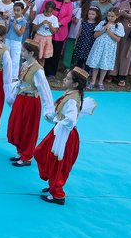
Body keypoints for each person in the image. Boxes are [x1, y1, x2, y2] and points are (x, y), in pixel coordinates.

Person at [34, 67, 96, 205]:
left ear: (75, 84)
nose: (64, 79)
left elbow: (71, 119)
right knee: (41, 153)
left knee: (58, 162)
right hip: (60, 130)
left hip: (64, 134)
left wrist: (56, 119)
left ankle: (58, 194)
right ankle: (53, 183)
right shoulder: (71, 93)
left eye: (67, 78)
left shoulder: (72, 99)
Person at [6, 39, 54, 167]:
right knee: (18, 126)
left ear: (32, 53)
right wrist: (12, 96)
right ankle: (21, 151)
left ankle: (27, 156)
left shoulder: (38, 70)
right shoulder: (24, 65)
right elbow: (19, 83)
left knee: (28, 129)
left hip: (31, 102)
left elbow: (44, 90)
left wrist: (49, 109)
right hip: (21, 100)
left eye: (23, 51)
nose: (21, 53)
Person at [86, 7, 124, 89]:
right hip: (99, 46)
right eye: (108, 16)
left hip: (109, 48)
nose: (109, 18)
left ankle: (100, 82)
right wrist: (104, 30)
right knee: (96, 63)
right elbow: (95, 35)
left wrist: (109, 31)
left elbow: (117, 39)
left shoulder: (119, 26)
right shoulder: (103, 23)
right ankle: (93, 81)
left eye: (112, 16)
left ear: (117, 16)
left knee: (104, 64)